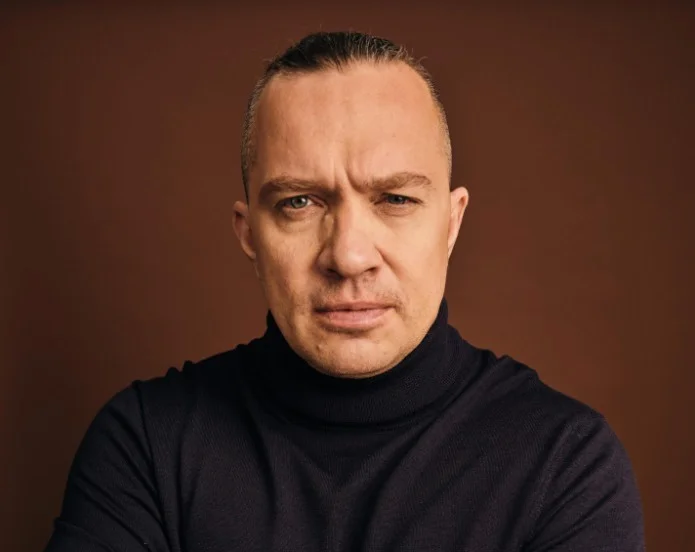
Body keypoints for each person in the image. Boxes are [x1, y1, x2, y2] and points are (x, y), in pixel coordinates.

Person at [44, 31, 645, 551]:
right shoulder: (146, 445)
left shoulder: (565, 462)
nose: (349, 256)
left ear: (452, 222)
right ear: (249, 233)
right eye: (299, 202)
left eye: (396, 199)